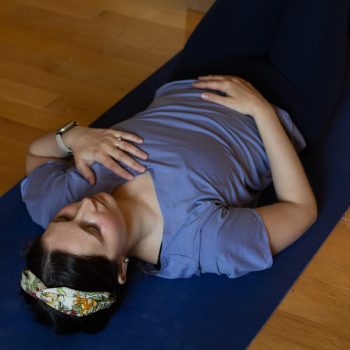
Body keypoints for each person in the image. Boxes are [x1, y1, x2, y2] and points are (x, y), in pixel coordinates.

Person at [20, 0, 348, 334]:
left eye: (65, 217)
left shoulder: (57, 201)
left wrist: (72, 137)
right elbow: (300, 209)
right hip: (288, 97)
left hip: (200, 73)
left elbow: (37, 156)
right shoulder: (203, 242)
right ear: (120, 267)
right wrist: (260, 110)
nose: (84, 207)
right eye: (93, 228)